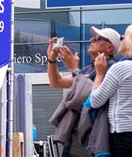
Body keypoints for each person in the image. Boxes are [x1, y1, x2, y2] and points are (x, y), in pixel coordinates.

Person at [47, 26, 121, 157]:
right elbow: (56, 82)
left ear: (109, 48)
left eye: (97, 38)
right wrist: (51, 59)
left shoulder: (113, 68)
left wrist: (74, 69)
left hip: (93, 134)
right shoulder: (89, 69)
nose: (92, 39)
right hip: (78, 133)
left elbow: (86, 95)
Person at [90, 24, 132, 157]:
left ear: (131, 42)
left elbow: (95, 101)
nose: (120, 39)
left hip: (122, 134)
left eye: (123, 37)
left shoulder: (120, 68)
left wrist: (99, 74)